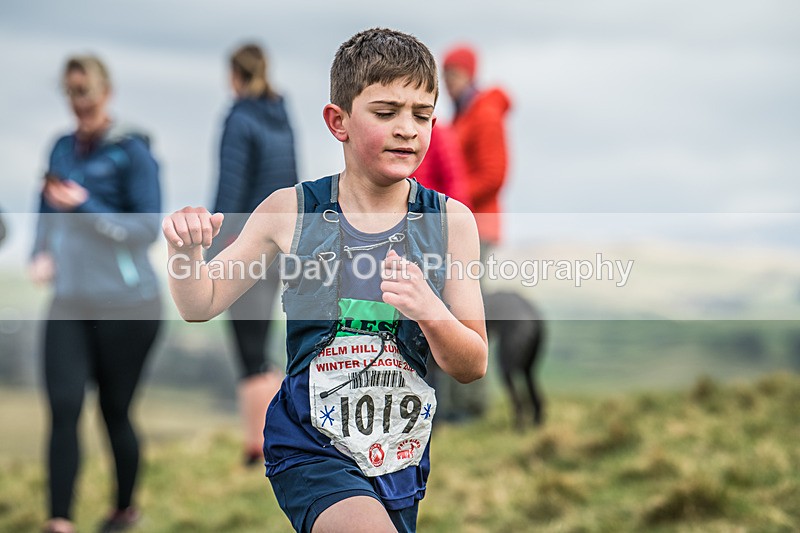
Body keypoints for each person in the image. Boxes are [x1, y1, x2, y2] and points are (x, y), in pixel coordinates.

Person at [162, 28, 488, 533]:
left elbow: (473, 363)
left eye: (422, 114)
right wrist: (186, 252)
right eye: (386, 113)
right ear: (338, 121)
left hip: (398, 457)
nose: (408, 129)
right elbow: (200, 302)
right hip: (309, 447)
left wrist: (429, 308)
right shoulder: (289, 210)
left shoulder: (451, 223)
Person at [30, 55, 162, 533]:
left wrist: (86, 206)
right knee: (64, 408)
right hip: (70, 301)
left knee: (114, 411)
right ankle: (59, 520)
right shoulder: (61, 147)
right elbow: (43, 204)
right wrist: (39, 251)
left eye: (84, 91)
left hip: (129, 307)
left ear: (106, 92)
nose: (77, 101)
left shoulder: (132, 153)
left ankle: (123, 509)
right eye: (69, 92)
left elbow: (147, 230)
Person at [207, 42, 298, 465]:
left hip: (242, 242)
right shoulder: (282, 116)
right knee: (261, 338)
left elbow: (231, 185)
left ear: (235, 75)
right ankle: (272, 431)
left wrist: (216, 244)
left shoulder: (239, 118)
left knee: (247, 346)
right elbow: (292, 182)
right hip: (278, 242)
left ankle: (258, 441)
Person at [433, 44, 513, 422]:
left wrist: (455, 200)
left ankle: (471, 406)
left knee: (467, 312)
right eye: (445, 75)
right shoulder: (465, 114)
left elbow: (495, 174)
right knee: (454, 306)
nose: (448, 83)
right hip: (463, 221)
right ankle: (456, 403)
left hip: (477, 224)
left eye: (453, 74)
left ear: (468, 74)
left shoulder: (484, 114)